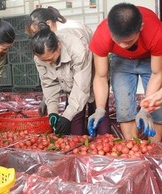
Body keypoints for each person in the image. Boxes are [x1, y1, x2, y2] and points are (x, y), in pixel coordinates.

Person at [27, 7, 111, 135]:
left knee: (99, 114)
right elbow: (49, 84)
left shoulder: (77, 48)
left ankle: (105, 147)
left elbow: (81, 87)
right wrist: (53, 112)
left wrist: (66, 116)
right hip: (71, 82)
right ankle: (78, 151)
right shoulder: (40, 58)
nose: (49, 63)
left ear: (59, 46)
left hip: (94, 77)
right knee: (74, 124)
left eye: (51, 59)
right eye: (45, 61)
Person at [87, 3, 162, 142]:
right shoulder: (102, 34)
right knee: (124, 108)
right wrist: (100, 109)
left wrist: (146, 109)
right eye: (117, 41)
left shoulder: (156, 32)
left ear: (141, 28)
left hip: (149, 58)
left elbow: (157, 74)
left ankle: (154, 152)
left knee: (157, 109)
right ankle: (132, 148)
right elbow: (101, 76)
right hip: (121, 61)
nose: (122, 46)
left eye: (128, 41)